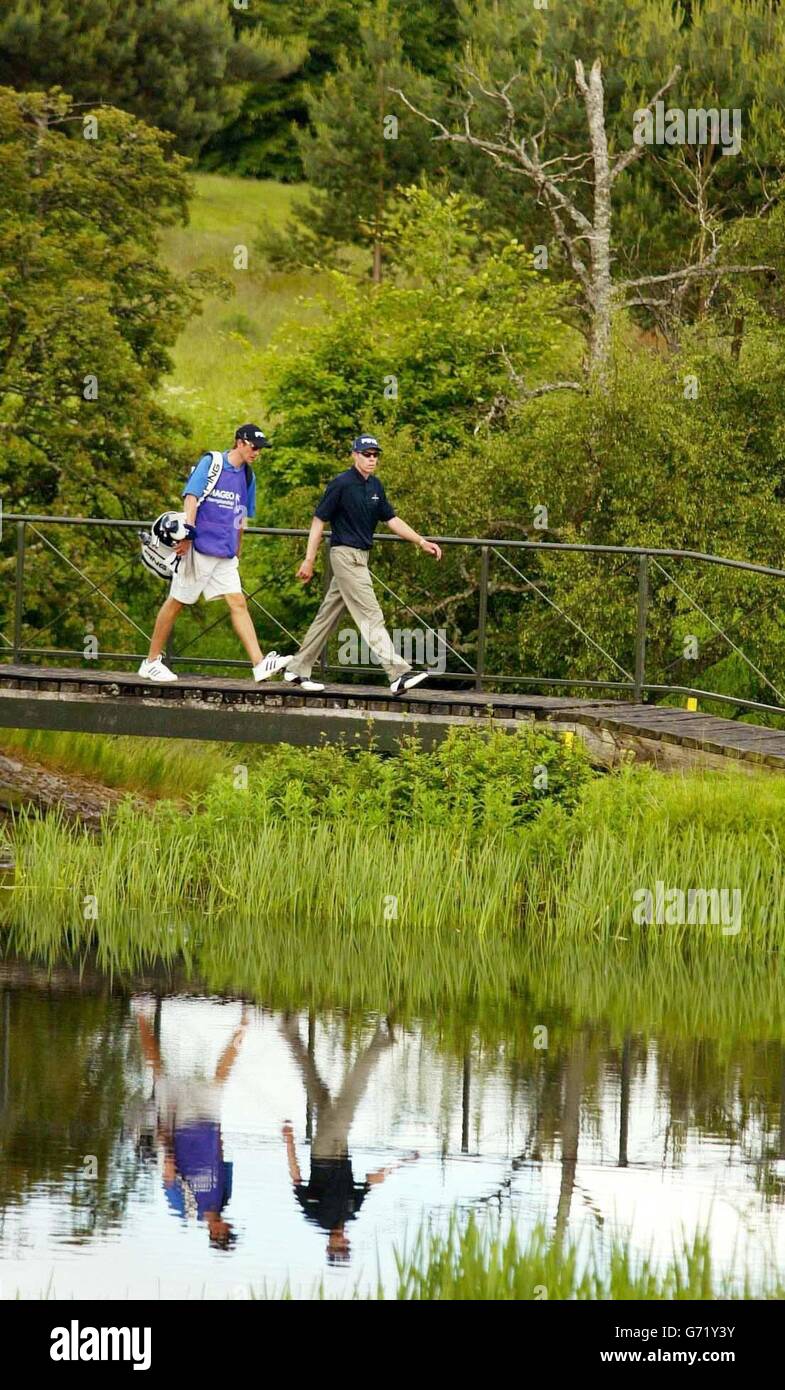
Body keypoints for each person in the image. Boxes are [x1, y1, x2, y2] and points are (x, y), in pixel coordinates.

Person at [283, 434, 443, 693]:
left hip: (360, 558)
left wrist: (421, 541)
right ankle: (397, 674)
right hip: (345, 556)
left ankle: (297, 668)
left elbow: (391, 520)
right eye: (366, 454)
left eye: (374, 455)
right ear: (354, 455)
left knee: (328, 616)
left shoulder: (376, 486)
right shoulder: (341, 484)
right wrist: (309, 559)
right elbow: (318, 520)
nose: (371, 459)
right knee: (371, 614)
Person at [138, 424, 290, 684]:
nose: (257, 453)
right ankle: (151, 662)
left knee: (238, 602)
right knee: (177, 602)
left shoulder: (248, 477)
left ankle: (259, 663)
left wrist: (237, 550)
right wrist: (187, 535)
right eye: (254, 447)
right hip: (200, 548)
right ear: (240, 442)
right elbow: (191, 498)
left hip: (225, 552)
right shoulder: (212, 462)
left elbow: (241, 515)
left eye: (260, 449)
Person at [280, 1012, 418, 1265]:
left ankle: (381, 1041)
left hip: (324, 1150)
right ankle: (289, 1033)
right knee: (315, 1086)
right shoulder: (352, 1213)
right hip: (342, 1149)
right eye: (345, 1247)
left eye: (339, 1247)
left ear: (329, 1246)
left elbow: (297, 1178)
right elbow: (368, 1183)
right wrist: (397, 1165)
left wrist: (289, 1141)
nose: (343, 1242)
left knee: (353, 1091)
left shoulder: (317, 1216)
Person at [133, 997, 248, 1250]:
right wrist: (218, 1127)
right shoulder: (223, 1199)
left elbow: (169, 1173)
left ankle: (141, 1012)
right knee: (221, 1076)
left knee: (159, 1072)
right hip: (207, 1123)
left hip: (180, 1126)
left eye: (226, 1232)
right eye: (230, 1230)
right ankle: (245, 1022)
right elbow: (220, 1158)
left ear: (215, 1233)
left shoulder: (185, 1208)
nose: (228, 1227)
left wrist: (166, 1135)